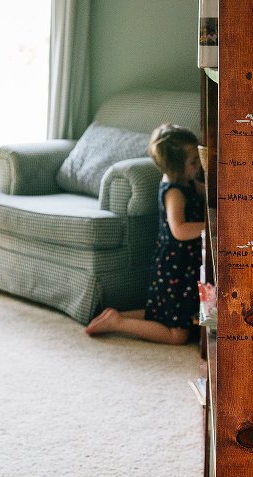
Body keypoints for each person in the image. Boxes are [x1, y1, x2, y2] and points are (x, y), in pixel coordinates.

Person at [85, 123, 205, 344]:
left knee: (163, 313)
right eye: (193, 162)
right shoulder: (174, 192)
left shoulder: (185, 180)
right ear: (176, 166)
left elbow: (203, 191)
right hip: (176, 266)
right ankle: (117, 323)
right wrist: (212, 226)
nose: (198, 166)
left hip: (184, 263)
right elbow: (178, 230)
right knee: (177, 335)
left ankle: (117, 315)